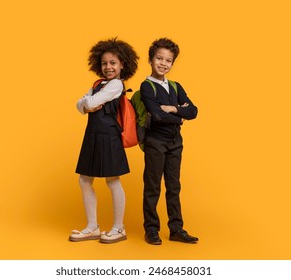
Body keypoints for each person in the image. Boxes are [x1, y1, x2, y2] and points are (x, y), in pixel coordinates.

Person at [69, 38, 138, 244]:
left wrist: (87, 104)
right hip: (92, 135)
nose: (108, 67)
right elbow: (80, 104)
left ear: (122, 64)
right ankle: (92, 227)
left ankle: (119, 228)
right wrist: (86, 104)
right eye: (104, 63)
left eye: (113, 63)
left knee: (113, 180)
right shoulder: (98, 84)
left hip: (109, 136)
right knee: (84, 180)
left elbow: (89, 101)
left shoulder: (116, 84)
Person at [140, 38, 199, 245]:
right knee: (153, 187)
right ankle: (151, 230)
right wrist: (180, 117)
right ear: (150, 59)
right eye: (159, 58)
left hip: (175, 143)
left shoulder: (175, 86)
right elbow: (156, 115)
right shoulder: (147, 87)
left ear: (172, 63)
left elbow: (194, 111)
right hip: (155, 142)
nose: (163, 63)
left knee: (174, 186)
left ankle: (176, 229)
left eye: (168, 60)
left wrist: (173, 109)